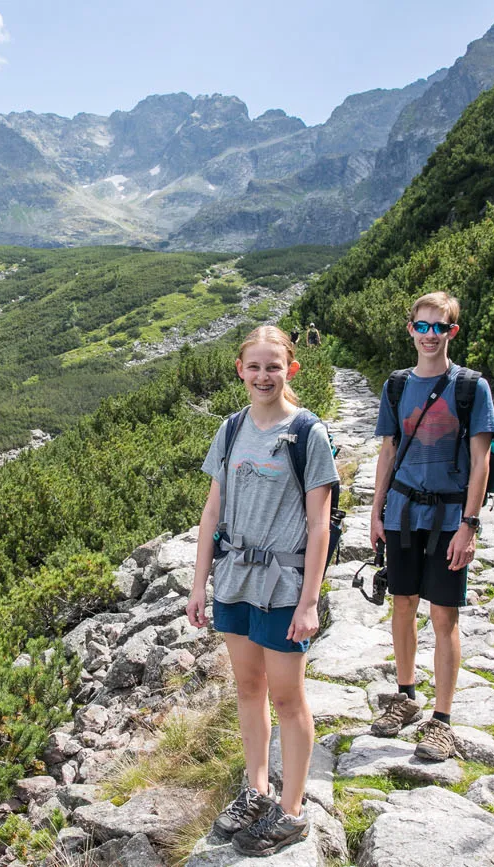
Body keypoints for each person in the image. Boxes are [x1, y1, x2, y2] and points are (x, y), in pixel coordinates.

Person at [186, 325, 339, 856]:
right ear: (240, 370)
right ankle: (255, 791)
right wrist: (199, 582)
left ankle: (292, 810)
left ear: (290, 370)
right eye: (254, 366)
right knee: (248, 689)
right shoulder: (230, 430)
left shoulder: (307, 434)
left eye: (273, 366)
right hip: (235, 579)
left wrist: (310, 600)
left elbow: (320, 524)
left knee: (287, 695)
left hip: (283, 583)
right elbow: (212, 511)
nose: (263, 375)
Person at [367, 291, 494, 761]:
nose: (429, 335)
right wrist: (376, 511)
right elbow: (387, 451)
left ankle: (441, 721)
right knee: (402, 603)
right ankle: (405, 696)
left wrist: (470, 525)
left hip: (448, 518)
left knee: (443, 615)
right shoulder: (397, 386)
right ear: (410, 330)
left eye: (438, 327)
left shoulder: (470, 387)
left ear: (452, 332)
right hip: (402, 513)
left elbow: (480, 462)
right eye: (421, 326)